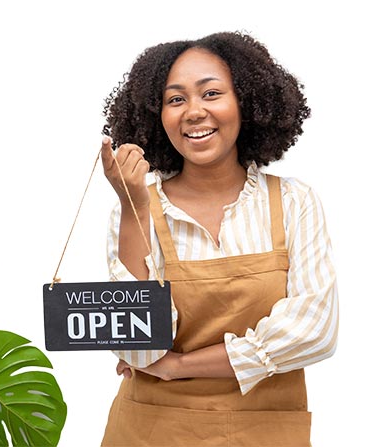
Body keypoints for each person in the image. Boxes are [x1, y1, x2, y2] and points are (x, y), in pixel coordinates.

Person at [99, 31, 338, 447]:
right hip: (151, 432)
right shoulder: (135, 208)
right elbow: (136, 348)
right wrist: (133, 204)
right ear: (156, 115)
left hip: (265, 430)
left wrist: (179, 366)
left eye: (211, 93)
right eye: (175, 100)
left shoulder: (294, 202)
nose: (193, 112)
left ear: (247, 103)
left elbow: (313, 331)